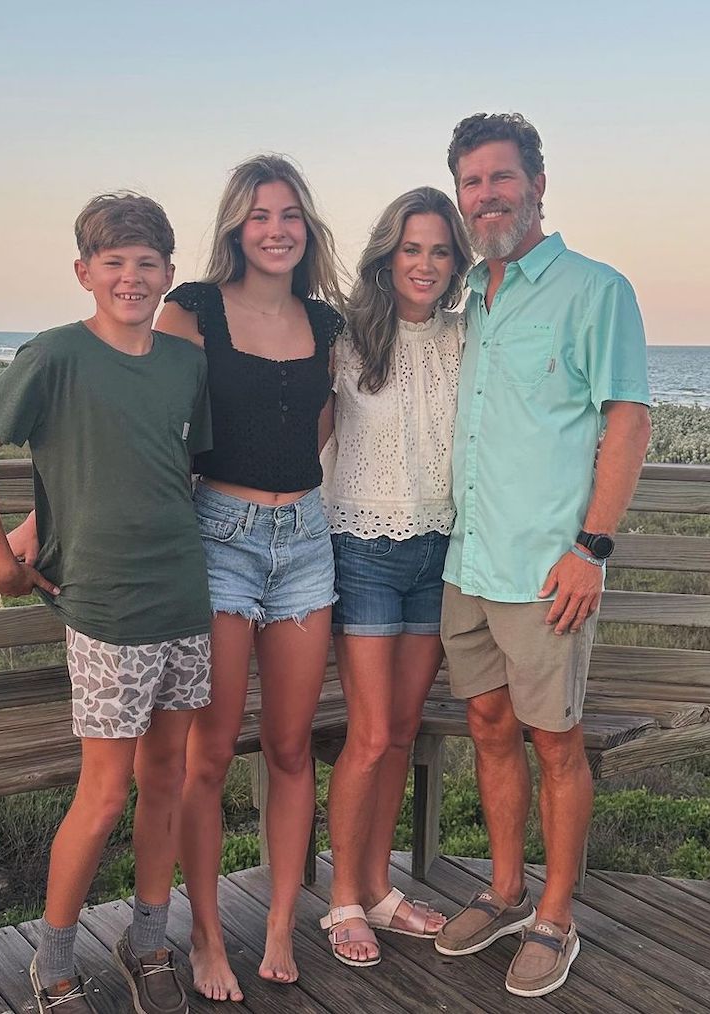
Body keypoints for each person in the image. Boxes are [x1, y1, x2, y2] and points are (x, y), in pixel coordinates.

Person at [0, 193, 212, 1014]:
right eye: (114, 263)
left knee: (166, 778)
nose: (131, 277)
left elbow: (173, 469)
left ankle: (147, 941)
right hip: (105, 609)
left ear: (169, 274)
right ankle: (52, 961)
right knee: (103, 794)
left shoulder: (184, 363)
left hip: (183, 597)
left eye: (147, 264)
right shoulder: (55, 354)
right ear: (84, 272)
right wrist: (3, 559)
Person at [434, 113, 652, 998]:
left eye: (500, 178)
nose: (486, 196)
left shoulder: (594, 290)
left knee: (554, 742)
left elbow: (627, 420)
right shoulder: (468, 303)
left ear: (538, 183)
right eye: (471, 183)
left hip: (545, 570)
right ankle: (504, 889)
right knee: (489, 729)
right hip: (468, 563)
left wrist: (590, 548)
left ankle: (556, 917)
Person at [155, 155, 345, 1001]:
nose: (277, 228)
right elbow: (138, 417)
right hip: (219, 538)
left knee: (291, 746)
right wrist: (43, 519)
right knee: (209, 753)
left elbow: (322, 424)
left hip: (305, 540)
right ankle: (203, 936)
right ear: (237, 225)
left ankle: (276, 924)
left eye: (291, 214)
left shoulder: (327, 321)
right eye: (261, 214)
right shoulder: (190, 310)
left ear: (307, 227)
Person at [317, 187, 471, 966]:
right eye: (412, 249)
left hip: (439, 552)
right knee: (371, 735)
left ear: (456, 262)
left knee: (403, 732)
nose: (426, 264)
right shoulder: (345, 341)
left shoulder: (463, 337)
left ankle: (379, 892)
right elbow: (301, 443)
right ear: (387, 255)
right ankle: (343, 898)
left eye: (441, 251)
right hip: (363, 550)